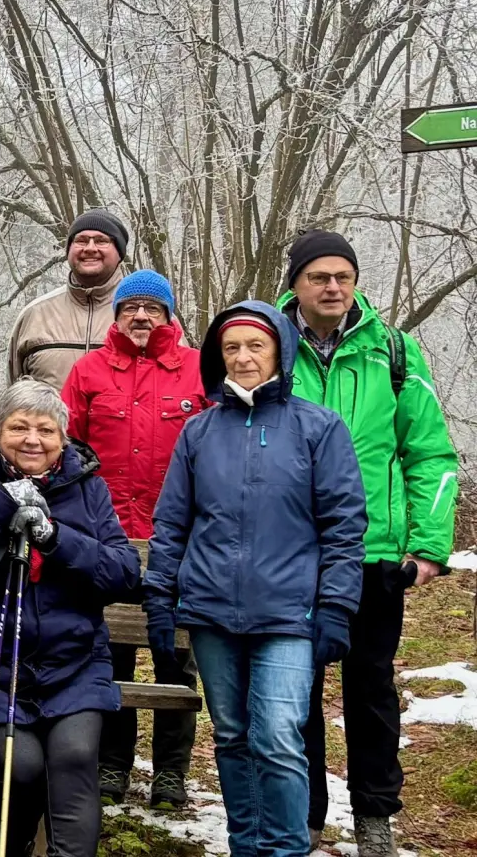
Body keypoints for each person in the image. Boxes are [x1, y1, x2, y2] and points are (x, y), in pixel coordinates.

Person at [146, 301, 367, 857]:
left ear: (279, 352)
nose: (243, 358)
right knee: (232, 737)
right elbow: (172, 523)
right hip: (212, 612)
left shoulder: (318, 428)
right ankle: (247, 846)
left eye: (255, 346)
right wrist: (159, 600)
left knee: (276, 739)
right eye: (231, 348)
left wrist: (337, 606)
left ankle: (286, 848)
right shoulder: (198, 433)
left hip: (289, 614)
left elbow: (343, 526)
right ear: (218, 358)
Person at [273, 231, 458, 855]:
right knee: (296, 686)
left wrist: (430, 545)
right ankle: (305, 812)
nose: (332, 287)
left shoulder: (393, 352)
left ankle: (375, 814)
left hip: (374, 553)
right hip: (291, 552)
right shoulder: (270, 347)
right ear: (295, 282)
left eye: (343, 277)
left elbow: (430, 452)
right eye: (319, 276)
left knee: (370, 688)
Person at [0, 379, 140, 857]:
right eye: (18, 427)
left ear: (62, 439)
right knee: (22, 765)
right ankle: (13, 845)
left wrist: (56, 537)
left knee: (75, 756)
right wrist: (1, 500)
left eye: (45, 430)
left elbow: (124, 573)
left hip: (75, 664)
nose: (32, 440)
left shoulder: (90, 488)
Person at [59, 269, 207, 809]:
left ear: (170, 316)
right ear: (116, 316)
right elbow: (64, 445)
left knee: (175, 656)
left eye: (153, 308)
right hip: (107, 539)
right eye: (130, 309)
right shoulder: (88, 370)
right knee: (111, 653)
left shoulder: (197, 370)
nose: (141, 317)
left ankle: (171, 772)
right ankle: (113, 764)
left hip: (181, 540)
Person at [7, 209, 129, 387]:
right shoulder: (34, 315)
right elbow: (13, 398)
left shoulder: (149, 315)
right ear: (69, 249)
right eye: (81, 240)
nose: (90, 248)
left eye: (102, 241)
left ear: (119, 252)